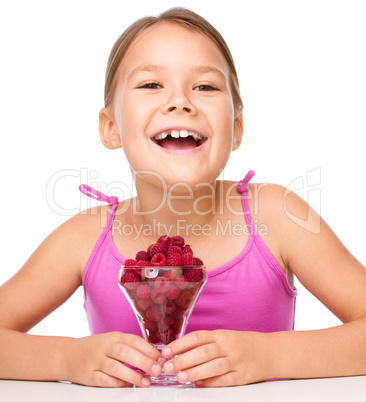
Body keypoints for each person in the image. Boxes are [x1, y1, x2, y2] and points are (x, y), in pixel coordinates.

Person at [0, 7, 365, 389]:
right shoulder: (83, 238)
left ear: (236, 129)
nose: (180, 102)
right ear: (110, 128)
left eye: (205, 87)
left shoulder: (276, 217)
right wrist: (65, 359)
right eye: (150, 85)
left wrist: (269, 354)